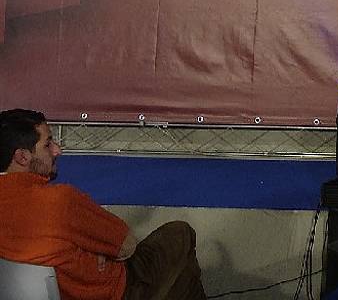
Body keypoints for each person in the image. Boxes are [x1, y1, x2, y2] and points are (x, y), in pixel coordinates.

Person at [0, 108, 206, 300]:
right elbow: (126, 246)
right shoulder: (59, 201)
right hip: (118, 290)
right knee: (180, 234)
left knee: (183, 279)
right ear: (22, 157)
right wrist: (97, 250)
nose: (57, 150)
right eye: (48, 144)